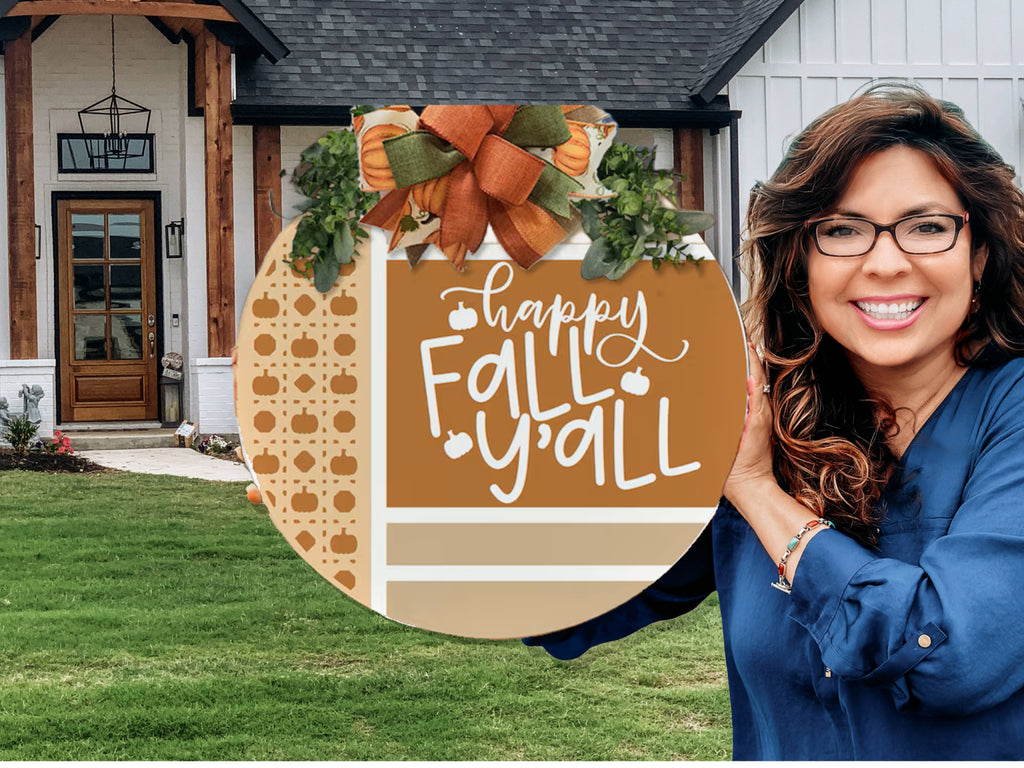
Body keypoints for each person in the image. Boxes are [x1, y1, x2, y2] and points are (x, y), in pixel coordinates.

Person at [524, 83, 1024, 760]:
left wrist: (757, 491)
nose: (885, 263)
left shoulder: (1009, 414)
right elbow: (569, 602)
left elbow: (952, 655)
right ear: (800, 262)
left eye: (927, 227)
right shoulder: (762, 417)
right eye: (842, 230)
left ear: (980, 253)